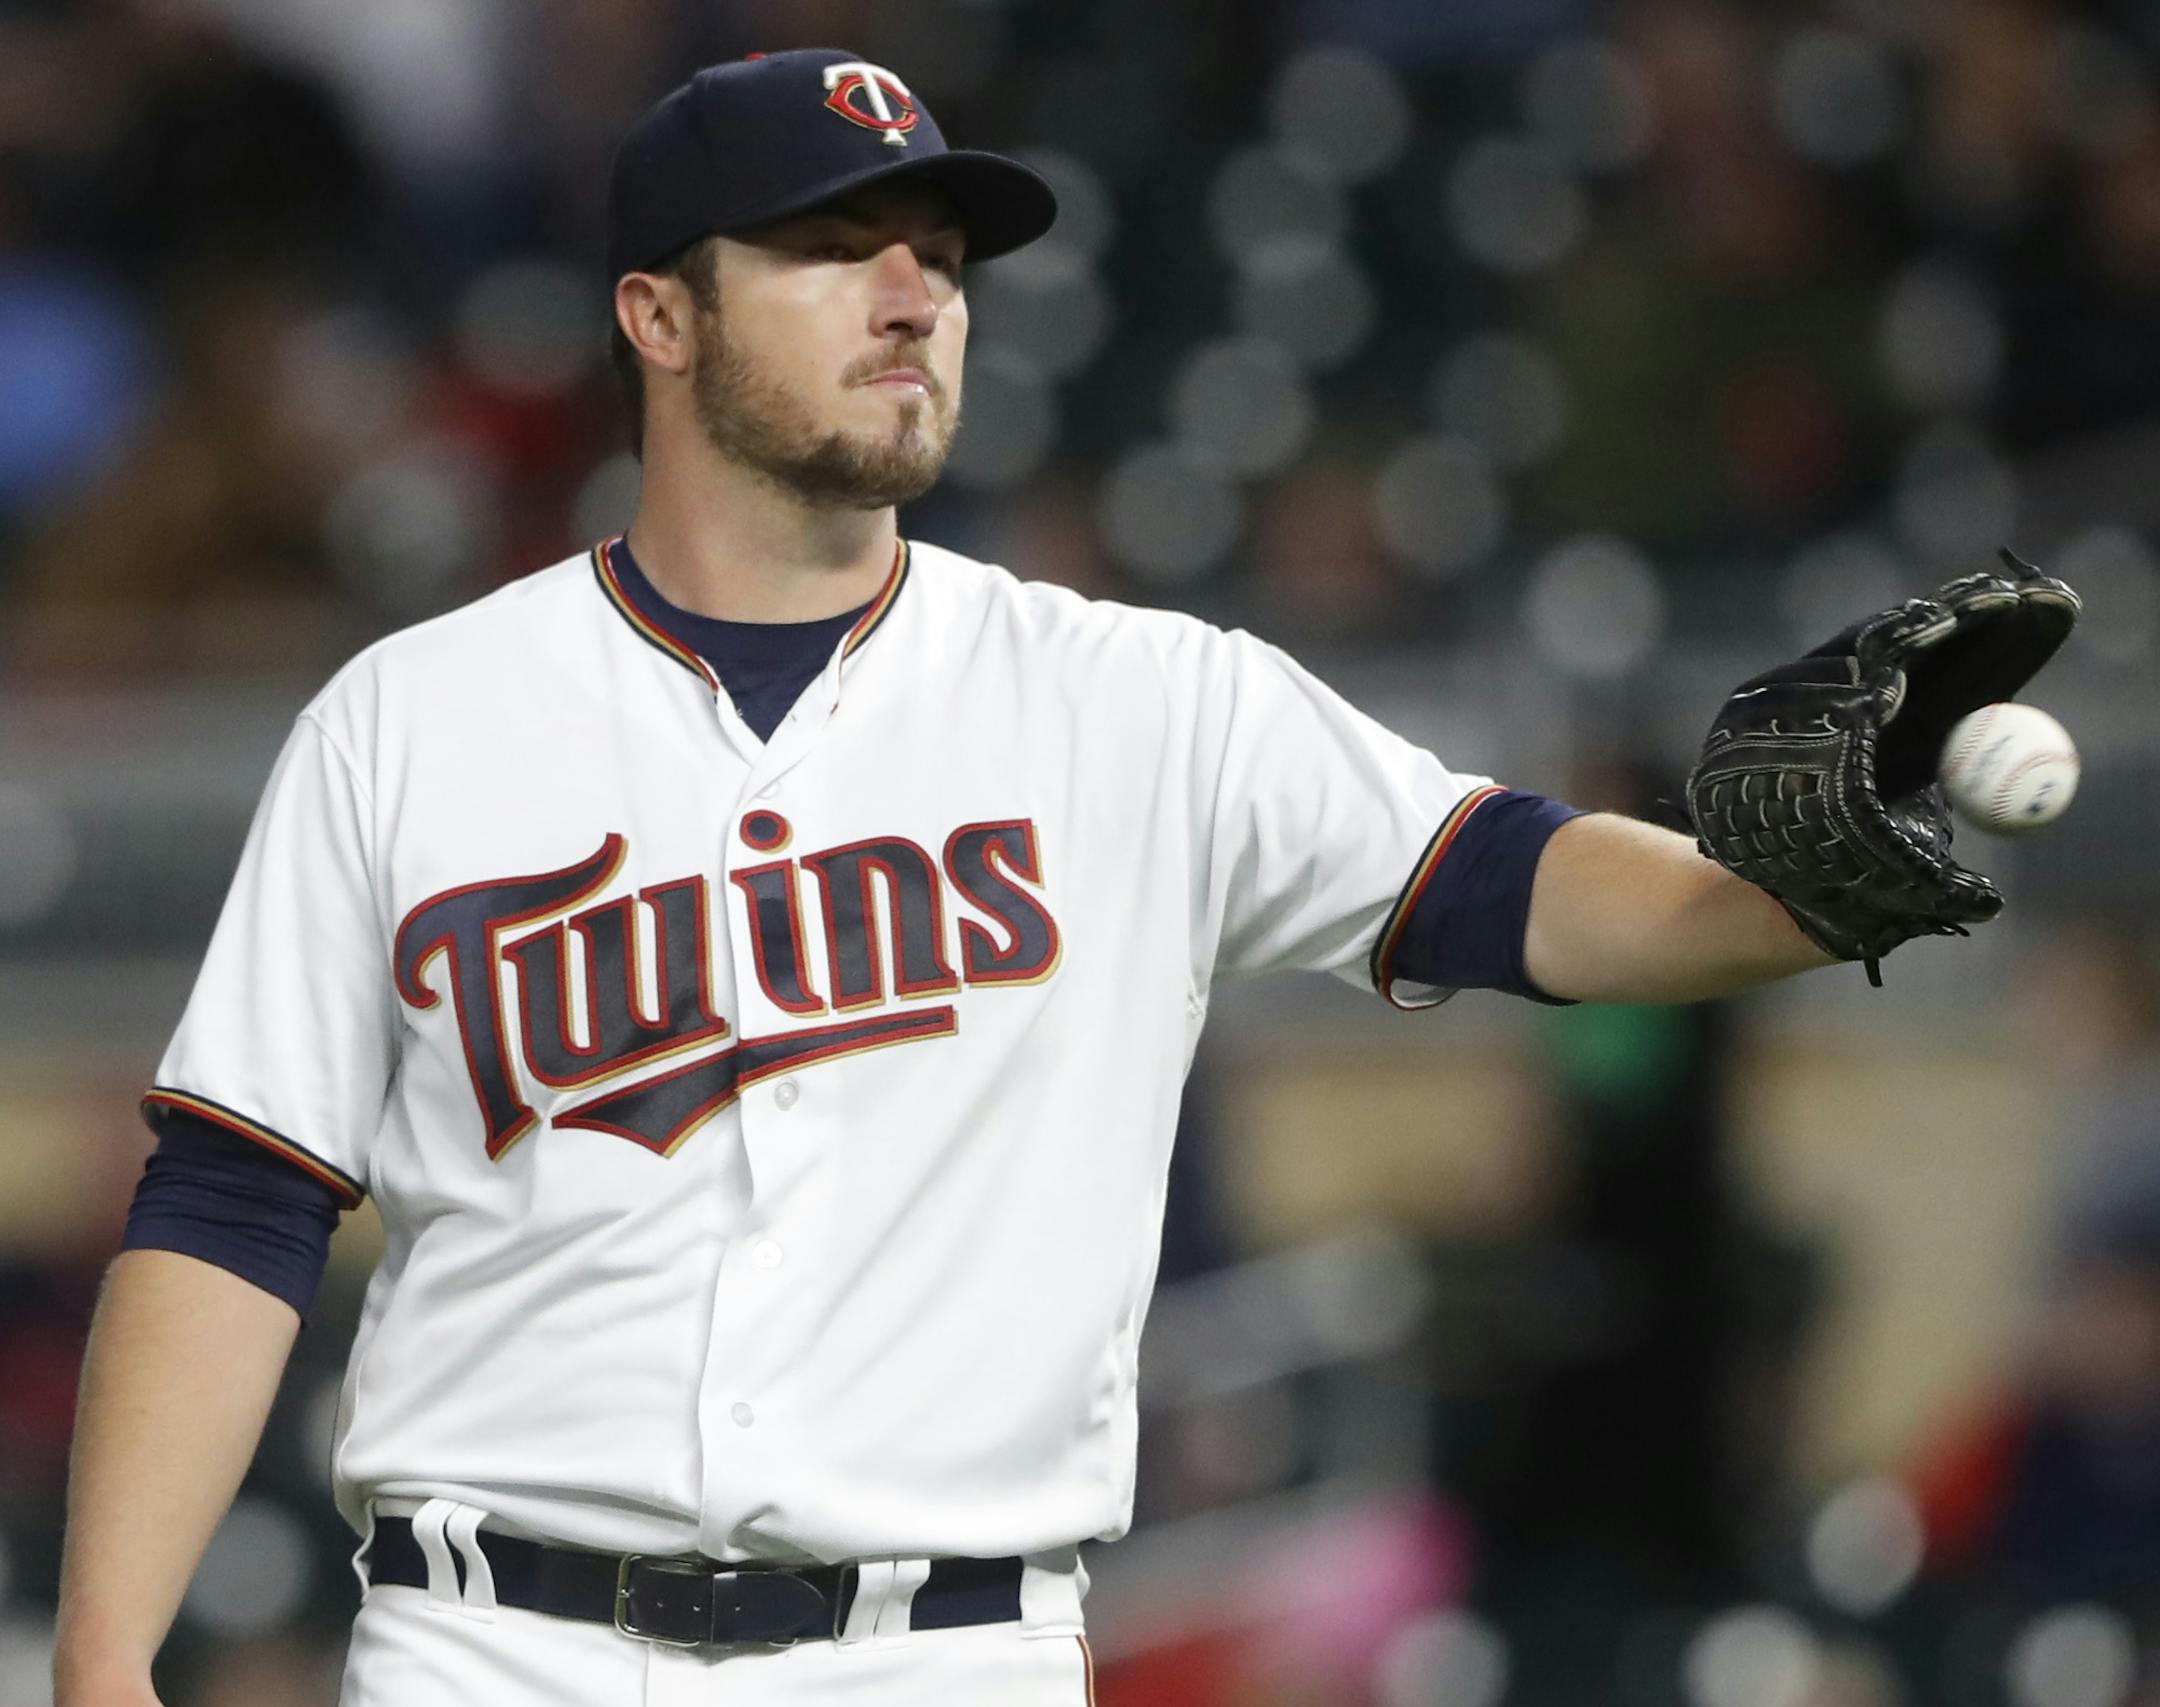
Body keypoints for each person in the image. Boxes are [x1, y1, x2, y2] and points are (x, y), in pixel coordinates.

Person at [49, 48, 2059, 1707]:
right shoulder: (412, 722)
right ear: (656, 314)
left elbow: (1532, 892)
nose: (914, 293)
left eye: (936, 252)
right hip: (490, 1645)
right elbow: (235, 1193)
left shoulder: (1134, 700)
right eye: (834, 249)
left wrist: (1798, 884)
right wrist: (112, 1650)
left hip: (952, 1650)